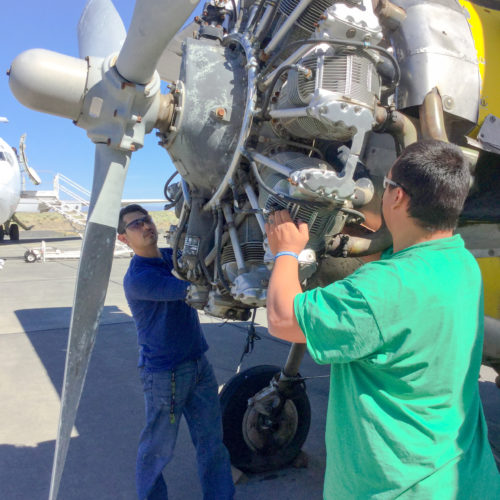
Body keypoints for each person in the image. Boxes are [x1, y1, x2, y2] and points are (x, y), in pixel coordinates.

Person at [265, 140, 500, 498]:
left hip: (397, 489)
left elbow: (282, 318)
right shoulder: (460, 261)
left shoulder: (382, 289)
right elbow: (396, 261)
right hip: (467, 478)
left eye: (384, 185)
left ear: (399, 197)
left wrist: (285, 249)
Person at [117, 204, 234, 500]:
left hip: (198, 364)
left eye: (147, 219)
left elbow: (199, 257)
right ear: (123, 239)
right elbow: (192, 288)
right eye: (135, 224)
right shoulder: (139, 277)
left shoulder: (171, 257)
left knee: (212, 442)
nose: (146, 226)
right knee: (157, 450)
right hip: (165, 374)